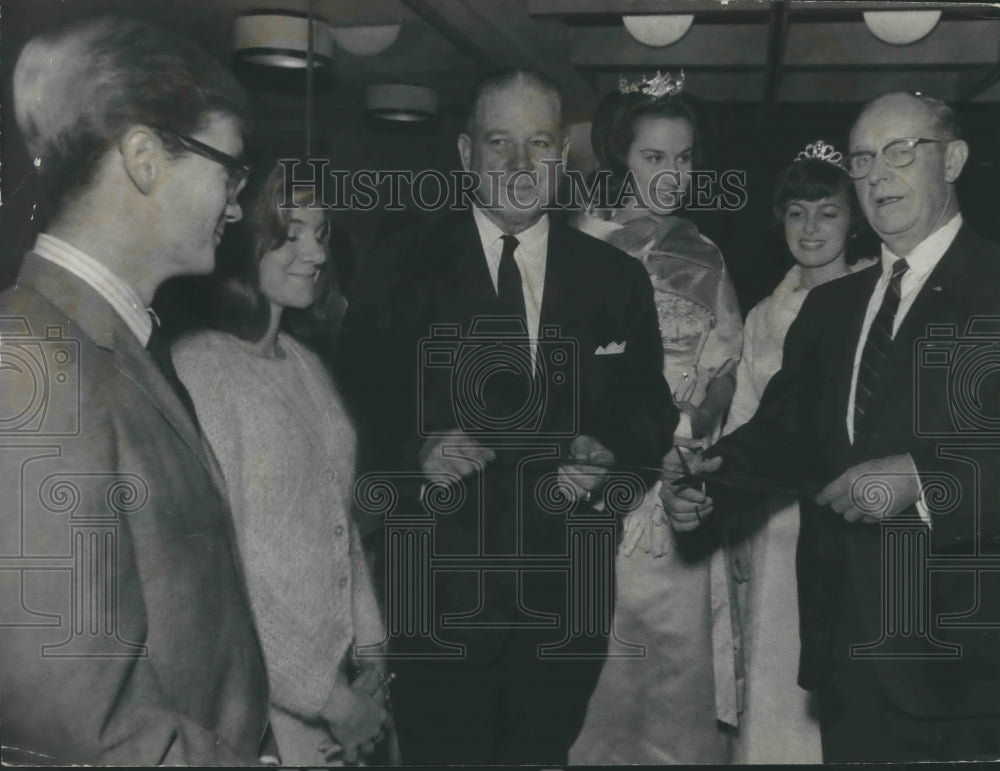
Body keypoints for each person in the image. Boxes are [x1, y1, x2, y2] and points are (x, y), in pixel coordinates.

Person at [335, 68, 677, 765]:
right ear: (466, 154)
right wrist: (415, 448)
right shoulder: (398, 265)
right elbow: (350, 406)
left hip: (565, 601)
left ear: (563, 156)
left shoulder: (614, 278)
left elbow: (649, 409)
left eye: (540, 143)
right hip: (437, 596)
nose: (522, 166)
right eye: (501, 143)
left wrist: (608, 454)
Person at [663, 91, 1000, 763]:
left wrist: (927, 477)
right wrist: (708, 481)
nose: (878, 175)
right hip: (844, 647)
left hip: (963, 658)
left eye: (902, 152)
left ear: (955, 159)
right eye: (865, 158)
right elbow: (785, 434)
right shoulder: (829, 309)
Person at [0, 16, 268, 764]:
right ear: (146, 158)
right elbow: (82, 726)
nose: (238, 205)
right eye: (229, 170)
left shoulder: (112, 343)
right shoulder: (33, 358)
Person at [171, 163, 391, 767]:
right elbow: (222, 576)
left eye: (320, 232)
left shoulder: (304, 363)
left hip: (341, 690)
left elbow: (339, 532)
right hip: (265, 708)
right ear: (243, 241)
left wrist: (372, 652)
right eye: (291, 233)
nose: (316, 252)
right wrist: (332, 701)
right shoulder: (202, 370)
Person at [569, 72, 743, 765]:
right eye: (654, 157)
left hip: (676, 490)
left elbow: (726, 363)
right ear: (619, 158)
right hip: (598, 481)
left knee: (676, 678)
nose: (673, 175)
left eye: (685, 158)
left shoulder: (704, 252)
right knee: (600, 672)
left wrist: (694, 424)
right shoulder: (579, 246)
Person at [725, 140, 876, 764]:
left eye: (828, 212)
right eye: (796, 212)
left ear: (855, 218)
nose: (810, 228)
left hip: (851, 520)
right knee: (773, 671)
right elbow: (742, 420)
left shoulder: (876, 298)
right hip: (774, 525)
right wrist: (730, 520)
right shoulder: (763, 315)